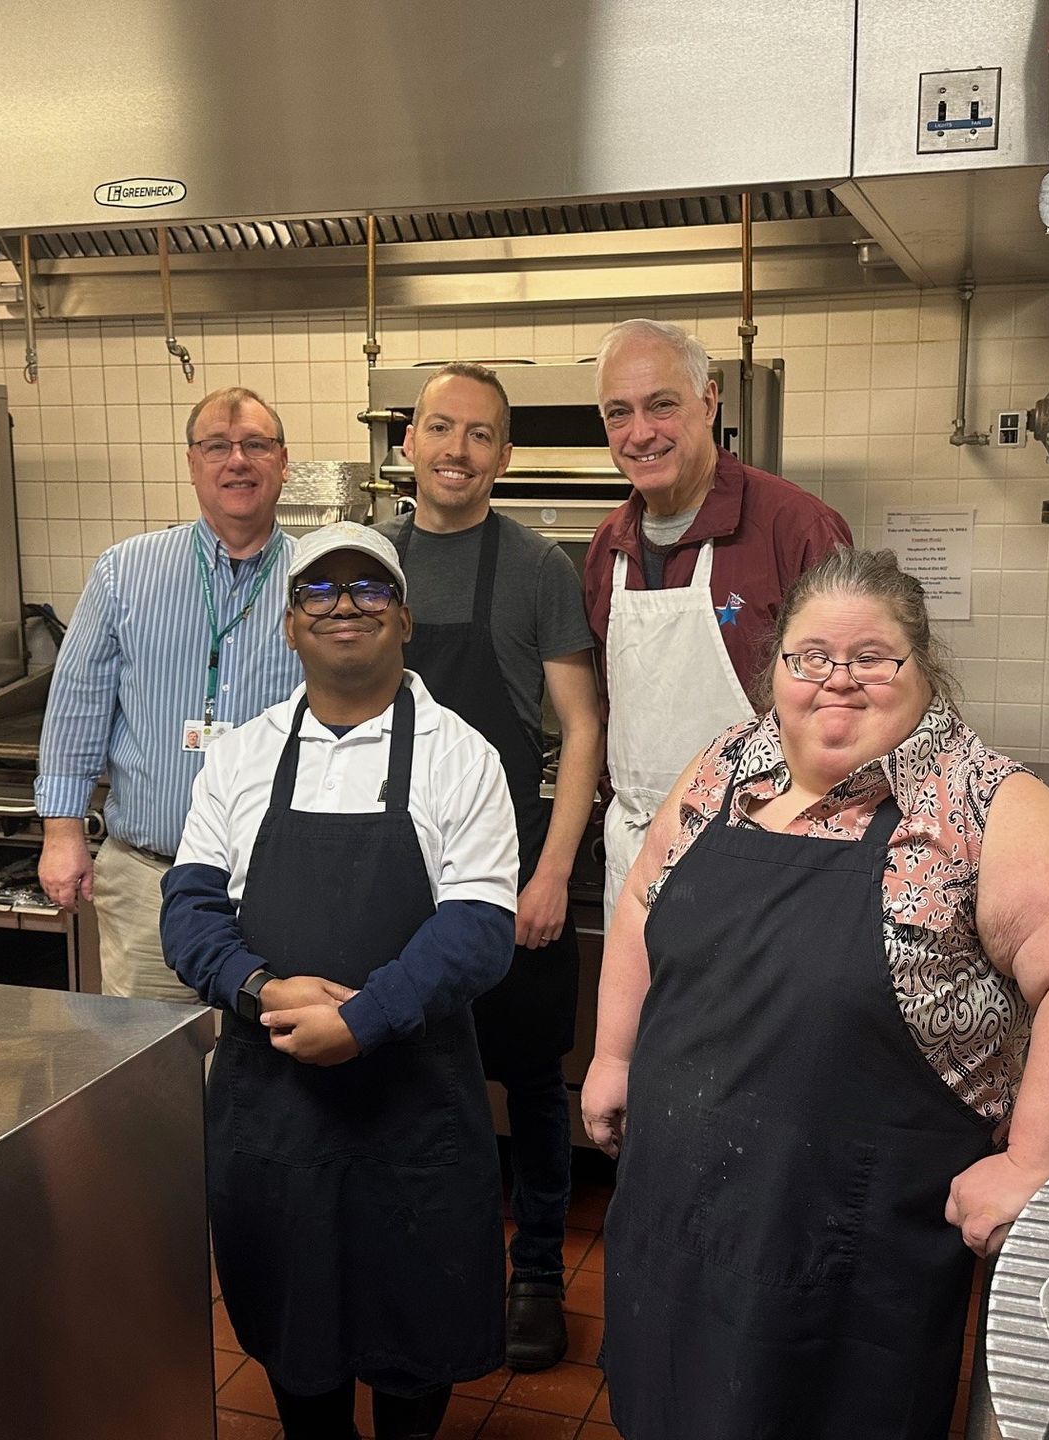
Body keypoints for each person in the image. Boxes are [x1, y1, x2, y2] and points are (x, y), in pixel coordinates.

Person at [581, 547, 1049, 1440]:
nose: (837, 680)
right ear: (775, 667)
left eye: (872, 657)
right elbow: (641, 902)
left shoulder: (979, 802)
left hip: (843, 1252)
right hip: (678, 1216)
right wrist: (614, 1054)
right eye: (810, 657)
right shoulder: (725, 768)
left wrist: (1032, 1161)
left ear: (921, 665)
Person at [161, 522, 519, 1440]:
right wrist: (263, 989)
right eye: (319, 592)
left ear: (403, 618)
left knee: (416, 1324)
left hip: (414, 1108)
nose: (344, 606)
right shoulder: (240, 756)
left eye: (368, 589)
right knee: (293, 1329)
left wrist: (367, 1018)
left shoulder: (460, 756)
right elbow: (189, 913)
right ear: (290, 627)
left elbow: (479, 931)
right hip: (273, 1105)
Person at [376, 362, 605, 1370]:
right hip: (391, 872)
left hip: (507, 861)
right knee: (406, 1070)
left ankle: (538, 1273)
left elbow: (583, 729)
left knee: (530, 1077)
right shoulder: (365, 558)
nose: (458, 449)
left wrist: (551, 871)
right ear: (408, 445)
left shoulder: (538, 567)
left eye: (479, 434)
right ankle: (428, 1263)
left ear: (504, 457)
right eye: (440, 428)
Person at [581, 317, 854, 923]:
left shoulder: (796, 529)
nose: (641, 433)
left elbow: (854, 708)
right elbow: (608, 706)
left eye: (662, 405)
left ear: (708, 401)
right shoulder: (610, 546)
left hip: (766, 855)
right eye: (618, 413)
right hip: (638, 854)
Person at [35, 387, 301, 1000]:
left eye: (256, 445)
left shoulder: (316, 579)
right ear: (191, 464)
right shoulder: (125, 573)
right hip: (151, 880)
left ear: (283, 463)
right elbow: (78, 709)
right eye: (217, 446)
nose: (237, 461)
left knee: (267, 1076)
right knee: (151, 1076)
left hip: (283, 887)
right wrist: (62, 832)